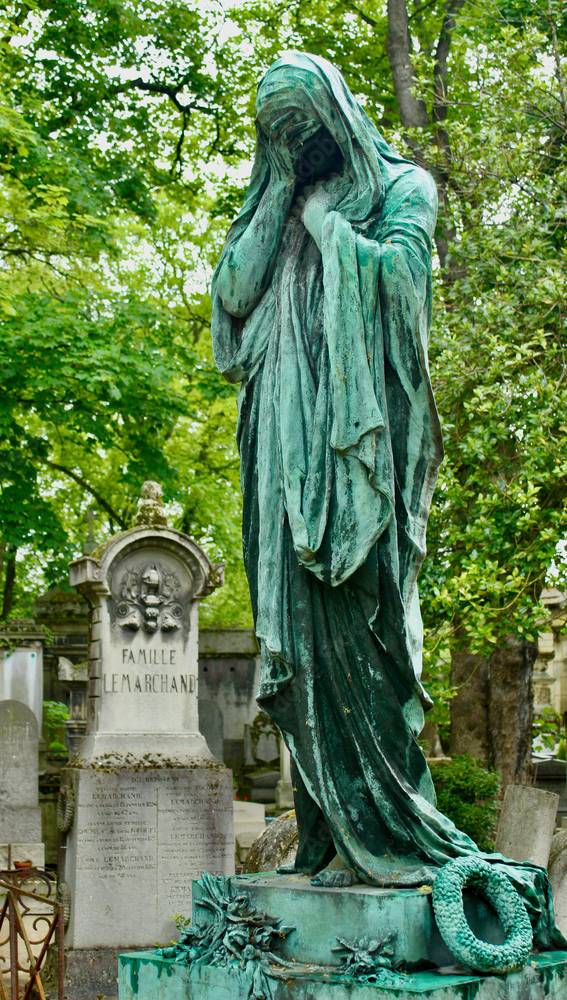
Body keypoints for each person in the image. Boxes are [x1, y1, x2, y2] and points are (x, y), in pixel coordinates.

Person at [211, 51, 564, 948]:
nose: (295, 144)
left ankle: (392, 832)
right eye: (277, 133)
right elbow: (233, 295)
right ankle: (328, 842)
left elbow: (404, 288)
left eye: (304, 127)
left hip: (360, 459)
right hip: (281, 449)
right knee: (289, 638)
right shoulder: (272, 201)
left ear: (337, 113)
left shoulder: (402, 187)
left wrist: (332, 234)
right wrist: (281, 196)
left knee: (360, 632)